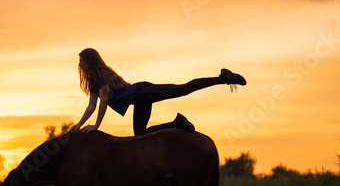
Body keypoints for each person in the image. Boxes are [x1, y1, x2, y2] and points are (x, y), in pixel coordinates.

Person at [70, 48, 246, 136]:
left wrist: (96, 126)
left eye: (82, 61)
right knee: (140, 135)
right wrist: (79, 125)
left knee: (183, 89)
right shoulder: (93, 80)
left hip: (143, 91)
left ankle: (224, 78)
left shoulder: (102, 76)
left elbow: (103, 103)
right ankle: (177, 124)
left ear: (90, 61)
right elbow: (92, 105)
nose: (80, 64)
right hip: (139, 100)